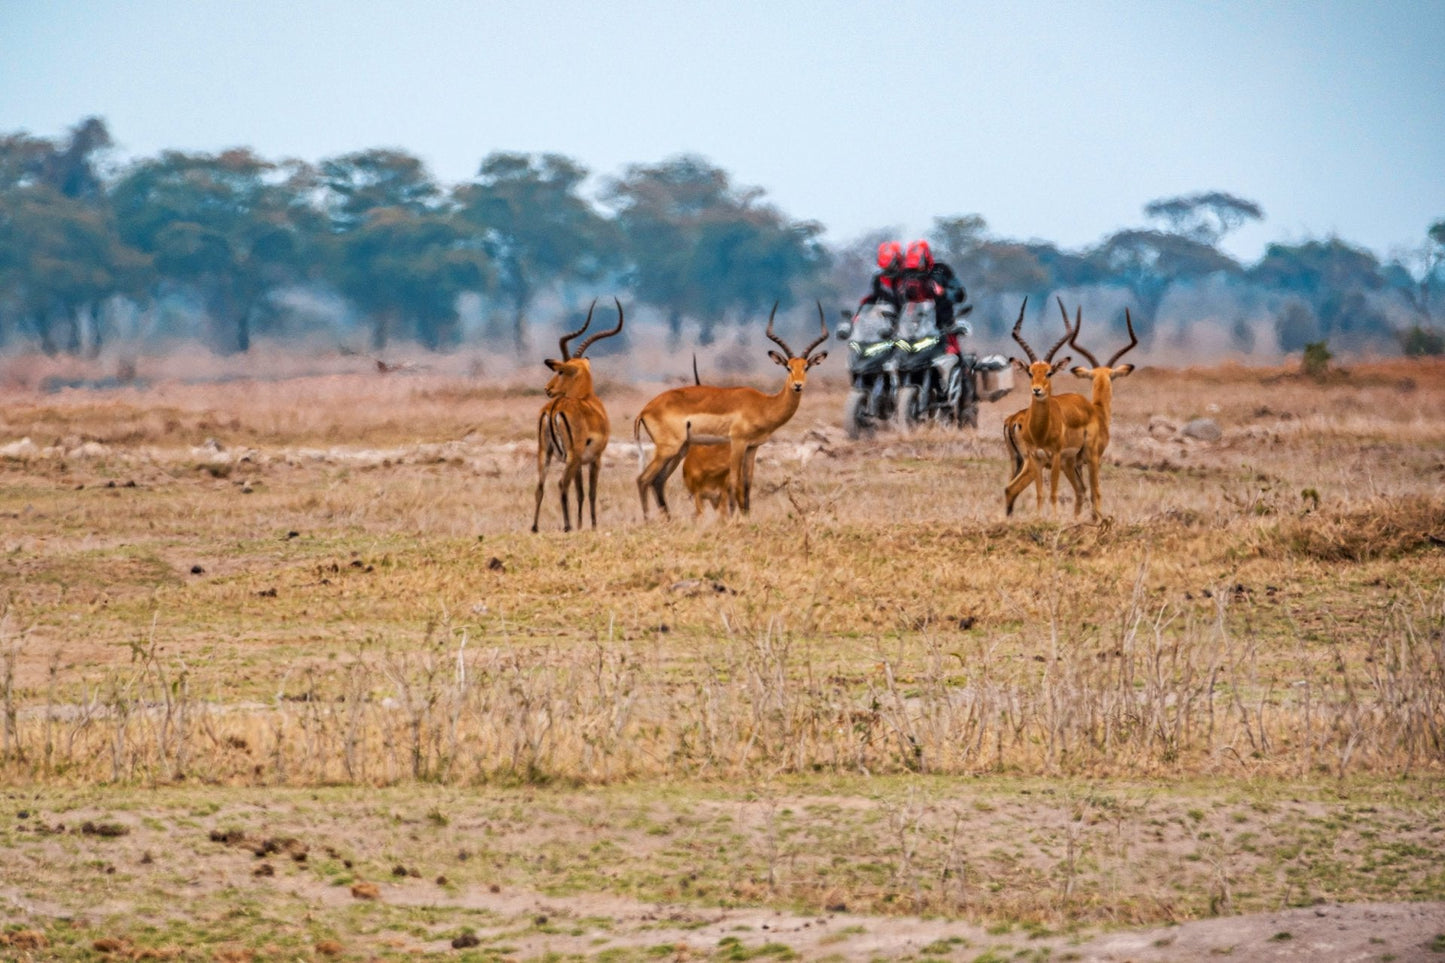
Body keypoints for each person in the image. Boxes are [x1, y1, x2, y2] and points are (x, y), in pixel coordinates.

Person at [899, 239, 970, 352]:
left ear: (926, 257)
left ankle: (963, 367)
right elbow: (898, 300)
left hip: (942, 327)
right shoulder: (906, 275)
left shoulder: (941, 270)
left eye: (919, 266)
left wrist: (944, 292)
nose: (917, 271)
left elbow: (959, 294)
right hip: (914, 329)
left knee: (951, 353)